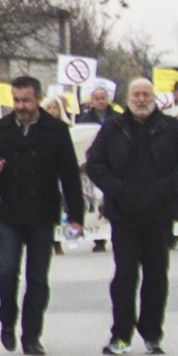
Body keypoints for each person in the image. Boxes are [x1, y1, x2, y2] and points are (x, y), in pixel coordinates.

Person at [86, 78, 178, 354]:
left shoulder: (172, 128)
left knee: (156, 277)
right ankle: (121, 336)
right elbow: (94, 164)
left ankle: (152, 334)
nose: (141, 99)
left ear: (154, 97)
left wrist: (168, 186)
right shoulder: (113, 128)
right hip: (124, 215)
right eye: (136, 94)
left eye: (146, 94)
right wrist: (115, 188)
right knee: (124, 277)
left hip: (160, 214)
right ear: (127, 98)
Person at [0, 75, 83, 356]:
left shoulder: (56, 131)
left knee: (37, 279)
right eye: (16, 100)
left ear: (38, 99)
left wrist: (76, 216)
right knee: (6, 271)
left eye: (26, 100)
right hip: (8, 213)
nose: (21, 106)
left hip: (42, 214)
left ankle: (32, 335)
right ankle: (7, 320)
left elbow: (70, 175)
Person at [65, 79, 118, 249]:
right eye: (97, 98)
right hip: (93, 165)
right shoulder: (85, 119)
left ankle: (114, 235)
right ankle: (99, 239)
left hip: (113, 165)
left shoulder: (117, 118)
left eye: (103, 98)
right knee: (95, 200)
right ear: (92, 101)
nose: (101, 101)